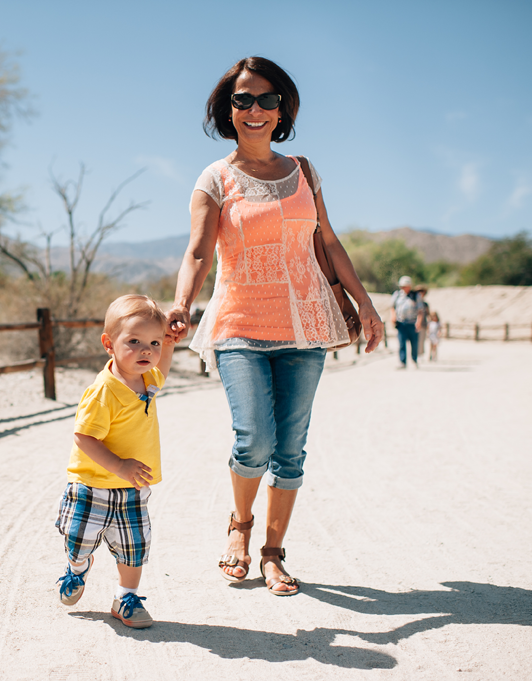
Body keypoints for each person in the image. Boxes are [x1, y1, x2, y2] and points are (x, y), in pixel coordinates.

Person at [168, 57, 383, 595]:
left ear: (283, 107)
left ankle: (272, 552)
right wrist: (181, 303)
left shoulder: (304, 171)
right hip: (240, 324)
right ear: (228, 110)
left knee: (291, 448)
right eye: (243, 100)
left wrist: (366, 303)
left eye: (267, 99)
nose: (256, 109)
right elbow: (198, 251)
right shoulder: (215, 178)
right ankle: (239, 528)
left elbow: (327, 242)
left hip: (306, 326)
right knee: (254, 439)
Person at [54, 294, 176, 628]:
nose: (146, 351)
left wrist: (170, 342)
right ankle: (76, 571)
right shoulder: (103, 391)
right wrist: (119, 464)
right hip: (92, 486)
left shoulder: (148, 380)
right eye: (134, 342)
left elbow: (162, 365)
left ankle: (126, 598)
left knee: (133, 545)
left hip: (133, 488)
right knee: (79, 540)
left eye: (153, 342)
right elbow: (84, 437)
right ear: (109, 343)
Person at [390, 275, 424, 369]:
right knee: (401, 343)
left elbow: (420, 310)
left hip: (412, 323)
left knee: (414, 343)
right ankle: (402, 362)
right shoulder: (397, 295)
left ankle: (414, 360)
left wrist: (419, 322)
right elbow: (392, 307)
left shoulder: (416, 296)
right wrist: (393, 317)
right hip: (401, 323)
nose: (403, 288)